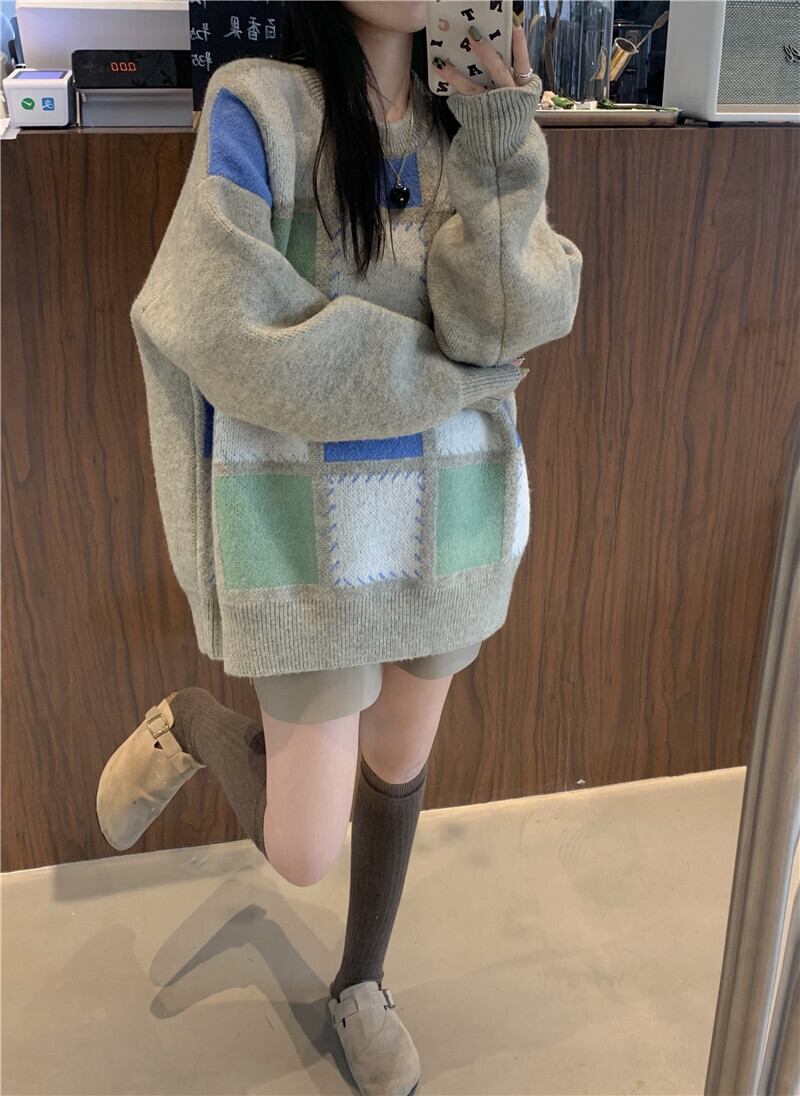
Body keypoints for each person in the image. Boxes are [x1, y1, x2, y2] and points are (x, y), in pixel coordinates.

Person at [96, 3, 582, 1093]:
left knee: (397, 766)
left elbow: (508, 322)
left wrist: (503, 132)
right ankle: (190, 724)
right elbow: (224, 323)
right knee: (304, 846)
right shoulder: (256, 105)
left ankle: (362, 982)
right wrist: (445, 377)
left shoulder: (471, 123)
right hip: (298, 527)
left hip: (448, 511)